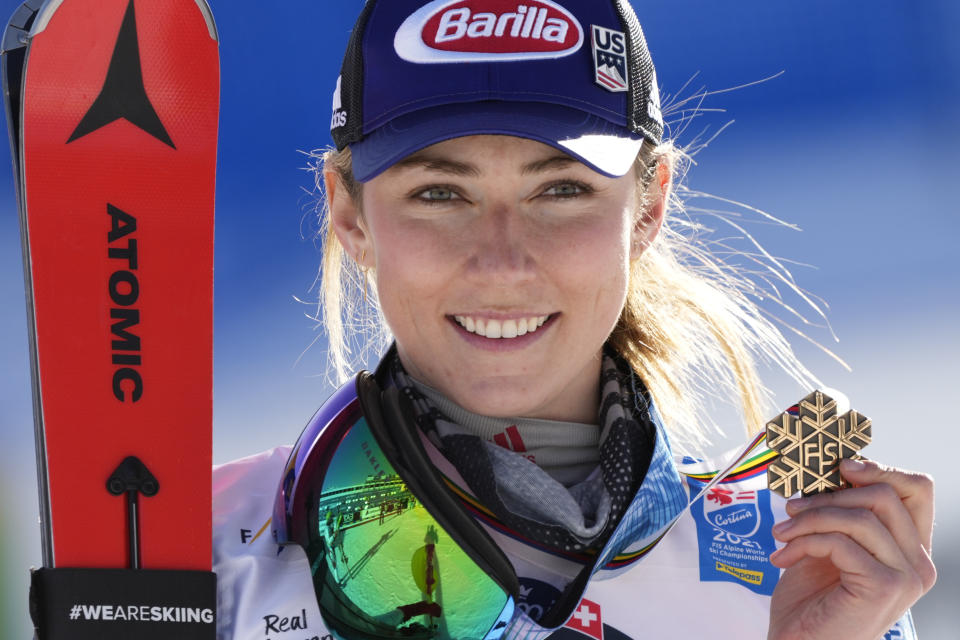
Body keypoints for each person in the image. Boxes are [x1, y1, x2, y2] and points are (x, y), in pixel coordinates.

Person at [212, 1, 936, 638]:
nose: (501, 262)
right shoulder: (207, 552)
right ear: (349, 214)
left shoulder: (803, 570)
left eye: (560, 189)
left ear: (649, 205)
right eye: (439, 194)